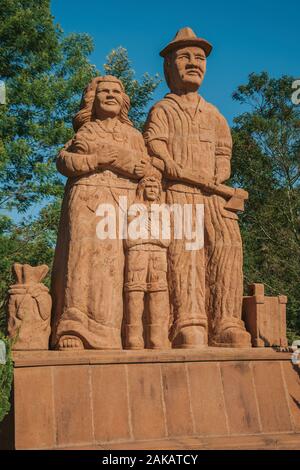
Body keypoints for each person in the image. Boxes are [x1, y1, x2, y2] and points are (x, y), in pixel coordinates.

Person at [144, 28, 251, 348]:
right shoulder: (162, 110)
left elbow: (223, 153)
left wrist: (219, 177)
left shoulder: (214, 115)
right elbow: (154, 145)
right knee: (185, 253)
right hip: (179, 193)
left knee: (228, 249)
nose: (194, 63)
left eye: (200, 58)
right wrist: (173, 167)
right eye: (185, 57)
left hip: (214, 195)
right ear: (168, 67)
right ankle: (189, 322)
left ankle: (226, 321)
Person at [51, 75, 151, 350]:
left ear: (123, 101)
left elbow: (143, 169)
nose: (110, 95)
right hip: (86, 198)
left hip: (124, 203)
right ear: (92, 99)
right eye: (103, 91)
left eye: (116, 92)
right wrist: (98, 159)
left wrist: (109, 156)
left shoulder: (133, 136)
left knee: (117, 267)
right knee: (82, 260)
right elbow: (64, 161)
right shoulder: (85, 132)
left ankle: (116, 332)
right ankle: (75, 327)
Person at [124, 175, 170, 349]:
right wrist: (151, 236)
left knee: (158, 291)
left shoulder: (163, 210)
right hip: (137, 253)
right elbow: (130, 239)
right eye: (148, 186)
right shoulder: (134, 208)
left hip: (158, 254)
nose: (152, 190)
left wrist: (147, 237)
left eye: (155, 187)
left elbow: (166, 240)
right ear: (141, 189)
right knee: (135, 290)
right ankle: (133, 336)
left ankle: (156, 336)